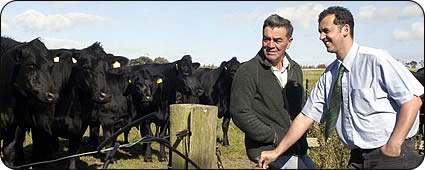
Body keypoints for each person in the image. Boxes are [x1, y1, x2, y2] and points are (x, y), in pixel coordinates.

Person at [258, 6, 424, 169]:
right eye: (320, 32)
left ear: (345, 29)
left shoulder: (376, 60)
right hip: (358, 158)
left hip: (389, 157)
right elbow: (305, 117)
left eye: (326, 31)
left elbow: (412, 100)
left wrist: (394, 144)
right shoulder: (330, 75)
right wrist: (276, 152)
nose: (321, 37)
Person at [230, 14, 316, 169]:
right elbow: (239, 112)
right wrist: (273, 136)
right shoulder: (248, 71)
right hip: (266, 150)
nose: (270, 45)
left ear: (289, 42)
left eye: (277, 40)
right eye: (266, 39)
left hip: (297, 148)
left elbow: (300, 108)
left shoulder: (295, 69)